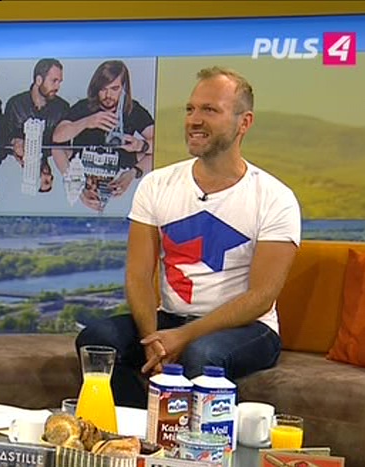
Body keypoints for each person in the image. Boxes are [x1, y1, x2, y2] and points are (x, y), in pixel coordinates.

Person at [75, 67, 301, 409]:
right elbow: (138, 275)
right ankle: (139, 430)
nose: (194, 120)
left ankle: (190, 441)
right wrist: (153, 340)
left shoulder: (274, 198)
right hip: (171, 318)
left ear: (244, 122)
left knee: (201, 355)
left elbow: (261, 297)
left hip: (248, 328)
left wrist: (184, 336)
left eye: (210, 110)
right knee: (97, 340)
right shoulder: (156, 185)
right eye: (190, 109)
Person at [52, 60, 155, 199]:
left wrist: (140, 148)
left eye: (114, 89)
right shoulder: (85, 106)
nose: (108, 96)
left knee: (152, 154)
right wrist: (87, 122)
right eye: (103, 89)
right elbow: (57, 138)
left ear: (124, 88)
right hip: (82, 166)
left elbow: (162, 146)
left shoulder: (133, 110)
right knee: (59, 149)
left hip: (120, 165)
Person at [0, 58, 70, 167]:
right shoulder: (15, 105)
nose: (57, 87)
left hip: (53, 166)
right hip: (16, 167)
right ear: (38, 80)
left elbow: (65, 148)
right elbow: (3, 139)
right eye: (54, 81)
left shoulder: (62, 108)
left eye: (59, 82)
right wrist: (14, 142)